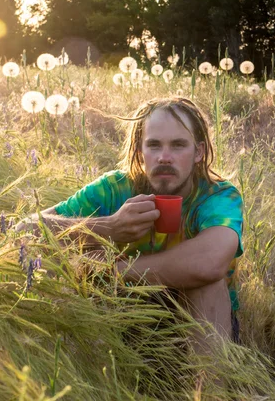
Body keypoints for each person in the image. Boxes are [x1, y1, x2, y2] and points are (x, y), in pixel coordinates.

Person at [17, 96, 243, 355]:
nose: (165, 157)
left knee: (207, 284)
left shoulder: (218, 196)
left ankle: (210, 393)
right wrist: (108, 227)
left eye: (179, 145)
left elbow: (210, 261)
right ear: (139, 151)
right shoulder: (115, 188)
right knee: (57, 259)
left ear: (199, 152)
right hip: (125, 319)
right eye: (154, 145)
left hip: (197, 322)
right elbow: (23, 231)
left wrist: (111, 270)